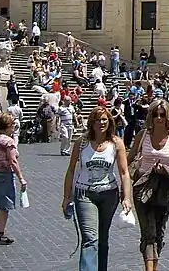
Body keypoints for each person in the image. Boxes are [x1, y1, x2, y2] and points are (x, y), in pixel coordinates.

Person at [62, 106, 133, 271]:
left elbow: (124, 172)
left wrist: (127, 198)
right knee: (90, 238)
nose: (101, 123)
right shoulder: (82, 142)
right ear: (91, 123)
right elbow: (71, 169)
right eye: (97, 120)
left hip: (109, 193)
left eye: (104, 119)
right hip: (85, 193)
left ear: (109, 121)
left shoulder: (116, 143)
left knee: (102, 238)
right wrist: (67, 196)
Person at [128, 99, 169, 271]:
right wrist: (135, 171)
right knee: (148, 232)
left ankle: (154, 266)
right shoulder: (143, 134)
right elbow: (129, 158)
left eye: (162, 115)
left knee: (159, 232)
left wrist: (166, 169)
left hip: (163, 187)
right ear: (150, 116)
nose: (159, 118)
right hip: (142, 186)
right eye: (155, 115)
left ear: (167, 116)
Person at [0, 112, 26, 244]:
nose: (14, 127)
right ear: (7, 126)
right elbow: (13, 161)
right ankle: (0, 233)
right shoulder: (8, 141)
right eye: (13, 125)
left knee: (1, 202)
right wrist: (21, 178)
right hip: (4, 174)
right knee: (5, 205)